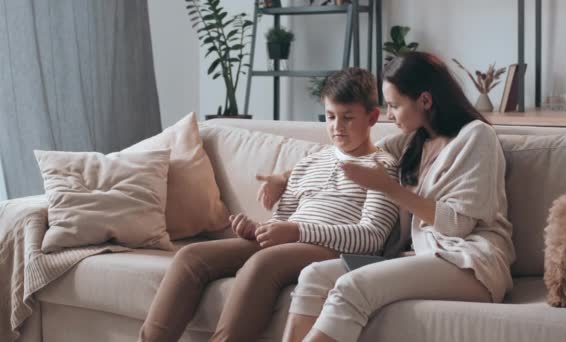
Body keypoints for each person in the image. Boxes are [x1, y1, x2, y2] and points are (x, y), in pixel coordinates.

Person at [258, 52, 516, 342]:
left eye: (394, 105)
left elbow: (459, 225)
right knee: (314, 275)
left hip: (471, 261)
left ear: (425, 101)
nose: (389, 115)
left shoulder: (476, 137)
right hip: (422, 255)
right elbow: (349, 157)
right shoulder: (408, 143)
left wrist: (390, 188)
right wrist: (284, 176)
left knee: (353, 286)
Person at [138, 68, 400, 342]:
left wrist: (296, 232)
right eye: (331, 116)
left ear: (371, 117)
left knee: (263, 262)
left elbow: (373, 237)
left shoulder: (382, 166)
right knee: (191, 258)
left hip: (337, 250)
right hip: (292, 242)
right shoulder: (310, 162)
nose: (336, 127)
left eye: (348, 118)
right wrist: (259, 230)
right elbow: (283, 220)